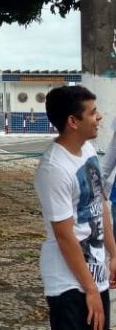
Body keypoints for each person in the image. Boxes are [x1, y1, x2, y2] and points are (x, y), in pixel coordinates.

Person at [34, 85, 116, 330]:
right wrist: (89, 289)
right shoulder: (54, 169)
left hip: (95, 277)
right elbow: (64, 235)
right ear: (73, 121)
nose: (99, 117)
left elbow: (100, 205)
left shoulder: (87, 151)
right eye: (92, 112)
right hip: (69, 284)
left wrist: (114, 253)